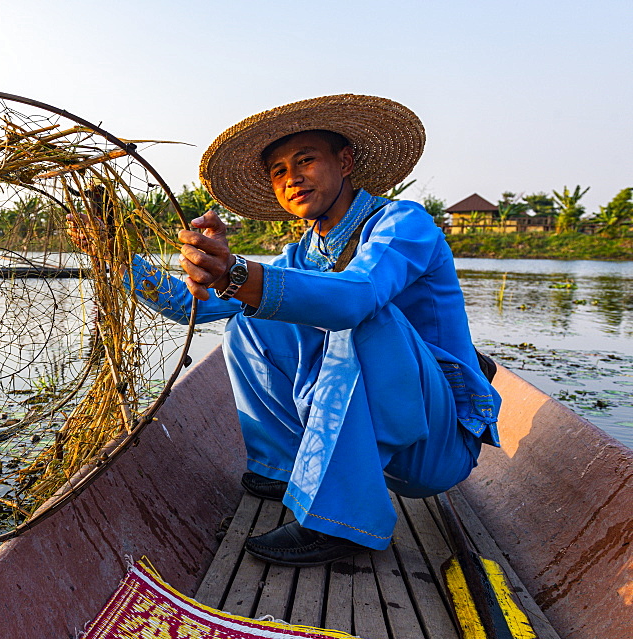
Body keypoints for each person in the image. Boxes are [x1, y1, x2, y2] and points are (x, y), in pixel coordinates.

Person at [72, 94, 500, 567]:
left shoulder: (404, 223)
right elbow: (185, 305)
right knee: (247, 322)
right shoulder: (301, 256)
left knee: (359, 316)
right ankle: (283, 467)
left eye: (305, 160)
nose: (291, 177)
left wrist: (237, 272)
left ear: (345, 161)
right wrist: (111, 251)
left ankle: (344, 523)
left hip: (434, 445)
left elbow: (357, 296)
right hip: (377, 440)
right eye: (278, 171)